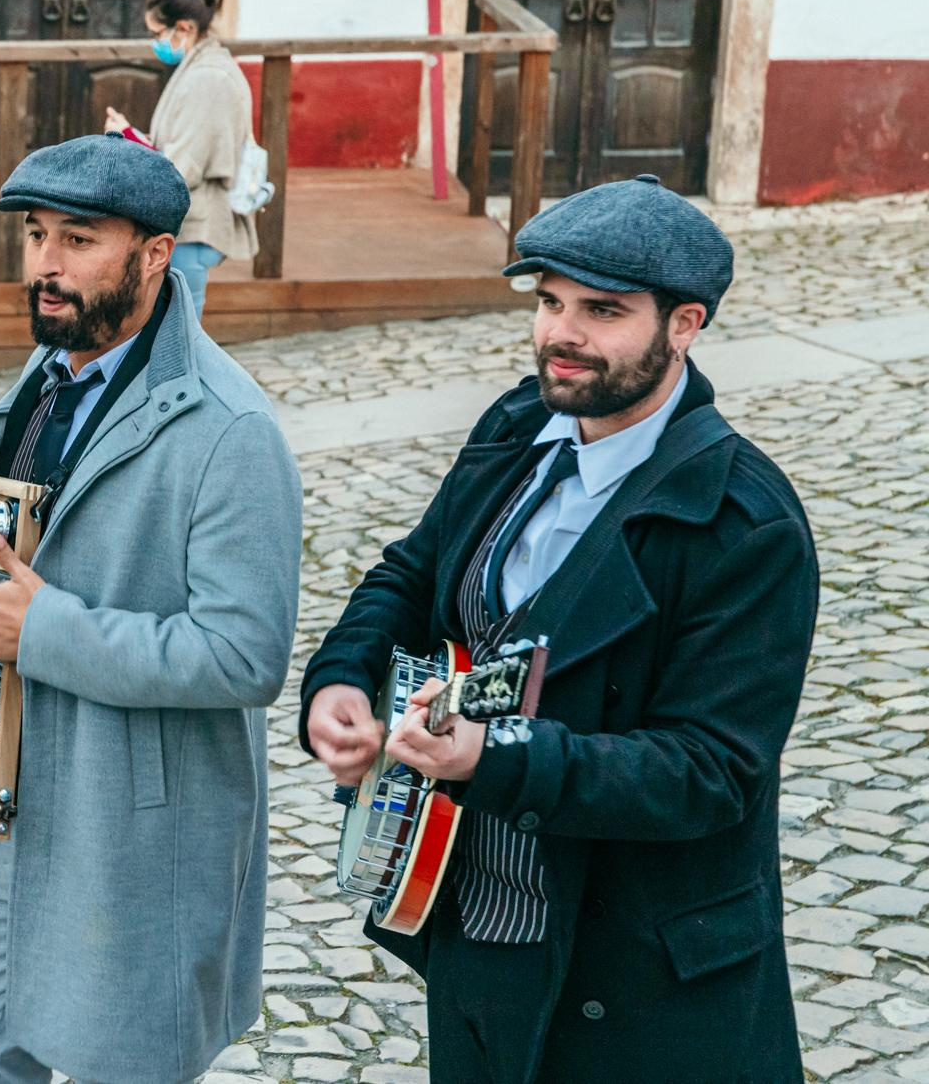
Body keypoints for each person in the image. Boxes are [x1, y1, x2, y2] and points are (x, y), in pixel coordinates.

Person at [298, 176, 817, 1083]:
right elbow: (412, 571)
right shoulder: (518, 425)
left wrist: (495, 758)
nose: (559, 334)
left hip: (636, 977)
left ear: (685, 323)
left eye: (602, 310)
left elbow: (711, 772)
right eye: (547, 300)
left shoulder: (745, 521)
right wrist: (342, 676)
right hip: (475, 921)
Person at [0, 134, 301, 1083]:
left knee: (126, 1063)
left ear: (155, 254)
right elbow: (0, 532)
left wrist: (47, 632)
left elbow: (247, 654)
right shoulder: (44, 380)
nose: (45, 264)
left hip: (128, 825)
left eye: (78, 240)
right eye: (37, 235)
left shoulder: (231, 429)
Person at [104, 0, 256, 318]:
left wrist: (131, 144)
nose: (155, 42)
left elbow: (182, 168)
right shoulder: (202, 67)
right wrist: (129, 135)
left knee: (179, 333)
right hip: (187, 225)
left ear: (183, 28)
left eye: (158, 33)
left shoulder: (207, 78)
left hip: (193, 227)